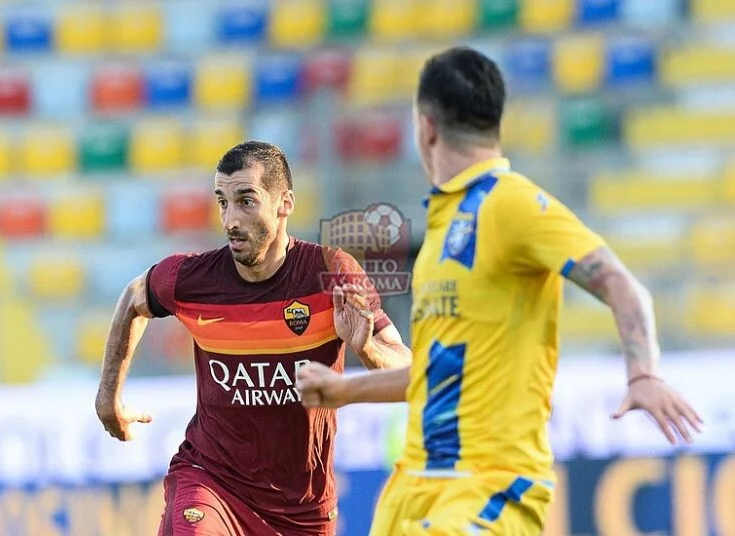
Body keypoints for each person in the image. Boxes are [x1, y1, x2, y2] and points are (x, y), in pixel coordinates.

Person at [296, 47, 703, 536]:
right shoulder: (443, 227)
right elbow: (440, 373)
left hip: (489, 488)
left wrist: (644, 375)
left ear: (426, 126)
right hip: (415, 487)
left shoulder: (513, 205)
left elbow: (622, 284)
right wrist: (345, 389)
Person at [94, 141, 411, 536]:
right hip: (211, 482)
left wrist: (366, 347)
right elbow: (133, 299)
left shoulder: (331, 273)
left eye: (246, 201)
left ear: (285, 204)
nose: (230, 219)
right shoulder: (193, 278)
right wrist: (108, 397)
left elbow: (411, 372)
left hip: (302, 508)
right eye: (222, 202)